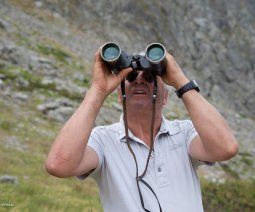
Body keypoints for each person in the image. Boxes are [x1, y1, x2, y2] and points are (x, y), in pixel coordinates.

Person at [45, 44, 239, 212]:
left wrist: (180, 80)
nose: (139, 80)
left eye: (150, 77)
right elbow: (59, 165)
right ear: (120, 95)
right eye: (130, 78)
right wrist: (98, 91)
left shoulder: (184, 133)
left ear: (165, 96)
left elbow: (226, 148)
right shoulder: (103, 140)